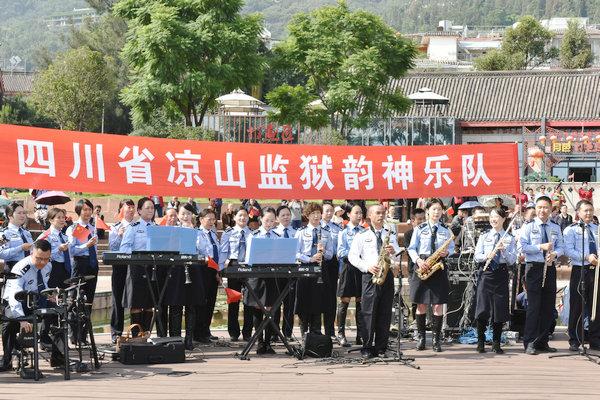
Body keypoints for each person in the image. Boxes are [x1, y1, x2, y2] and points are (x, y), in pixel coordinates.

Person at [1, 240, 66, 371]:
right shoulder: (20, 268)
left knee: (60, 314)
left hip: (35, 299)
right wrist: (22, 319)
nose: (42, 262)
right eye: (39, 258)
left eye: (46, 259)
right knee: (9, 323)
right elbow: (14, 296)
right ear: (32, 253)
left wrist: (49, 296)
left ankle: (58, 358)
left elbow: (42, 285)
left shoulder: (48, 266)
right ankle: (7, 360)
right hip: (16, 302)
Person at [348, 204, 403, 358]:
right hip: (370, 276)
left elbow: (397, 256)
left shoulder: (390, 233)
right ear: (370, 216)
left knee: (385, 312)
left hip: (387, 275)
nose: (381, 215)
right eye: (377, 213)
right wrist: (367, 267)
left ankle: (381, 347)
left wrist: (394, 252)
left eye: (383, 213)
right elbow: (353, 256)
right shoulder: (362, 234)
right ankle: (366, 346)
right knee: (368, 312)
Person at [408, 198, 455, 352]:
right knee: (420, 304)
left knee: (438, 304)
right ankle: (421, 337)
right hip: (423, 265)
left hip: (438, 268)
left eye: (439, 209)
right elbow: (411, 248)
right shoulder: (419, 228)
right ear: (427, 211)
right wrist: (418, 261)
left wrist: (447, 252)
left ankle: (436, 339)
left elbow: (453, 248)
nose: (436, 212)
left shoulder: (445, 229)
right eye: (434, 209)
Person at [519, 195, 564, 355]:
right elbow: (523, 246)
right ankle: (530, 342)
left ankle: (542, 341)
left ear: (551, 209)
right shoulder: (529, 226)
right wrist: (540, 247)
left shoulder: (555, 227)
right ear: (535, 209)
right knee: (534, 307)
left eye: (545, 207)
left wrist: (555, 254)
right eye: (539, 207)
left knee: (547, 306)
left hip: (550, 267)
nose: (542, 210)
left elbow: (561, 247)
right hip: (534, 268)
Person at [473, 208, 517, 354]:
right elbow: (477, 256)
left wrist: (504, 250)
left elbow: (512, 260)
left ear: (503, 219)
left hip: (501, 274)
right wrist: (488, 255)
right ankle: (480, 341)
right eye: (491, 216)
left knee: (499, 309)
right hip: (486, 273)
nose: (493, 219)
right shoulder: (484, 236)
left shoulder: (509, 237)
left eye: (496, 216)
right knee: (483, 308)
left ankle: (496, 342)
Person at [163, 203, 206, 349]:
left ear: (193, 215)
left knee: (191, 305)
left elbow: (203, 249)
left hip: (193, 268)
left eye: (188, 213)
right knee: (175, 305)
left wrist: (192, 232)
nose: (185, 216)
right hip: (176, 269)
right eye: (182, 214)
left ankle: (189, 339)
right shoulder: (173, 230)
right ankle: (175, 339)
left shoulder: (198, 231)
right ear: (178, 215)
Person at [563, 200, 600, 351]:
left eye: (591, 210)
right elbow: (568, 250)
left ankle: (595, 339)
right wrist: (586, 257)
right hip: (580, 270)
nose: (589, 213)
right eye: (585, 210)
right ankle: (575, 339)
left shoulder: (597, 228)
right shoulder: (571, 230)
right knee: (577, 305)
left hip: (596, 270)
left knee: (595, 307)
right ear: (578, 212)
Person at [245, 207, 281, 354]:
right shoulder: (253, 235)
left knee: (270, 310)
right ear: (261, 219)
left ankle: (268, 342)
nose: (269, 223)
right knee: (257, 309)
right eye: (267, 220)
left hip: (272, 277)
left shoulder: (277, 236)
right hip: (257, 276)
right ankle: (259, 342)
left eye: (272, 220)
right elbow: (248, 258)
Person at [295, 202, 333, 336]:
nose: (316, 216)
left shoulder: (326, 232)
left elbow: (331, 253)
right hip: (305, 269)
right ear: (307, 215)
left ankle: (316, 332)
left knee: (318, 301)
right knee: (304, 300)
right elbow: (295, 253)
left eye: (318, 213)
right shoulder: (301, 232)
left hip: (321, 269)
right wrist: (309, 258)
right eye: (313, 214)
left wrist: (323, 253)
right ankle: (304, 331)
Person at [119, 197, 156, 337]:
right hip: (136, 268)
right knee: (136, 302)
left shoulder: (157, 229)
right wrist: (137, 255)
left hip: (152, 269)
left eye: (152, 207)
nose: (150, 210)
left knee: (149, 302)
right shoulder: (133, 228)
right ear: (139, 211)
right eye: (147, 208)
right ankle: (135, 335)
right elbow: (124, 247)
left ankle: (146, 334)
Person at [66, 198, 99, 344]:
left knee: (88, 301)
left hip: (92, 264)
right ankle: (74, 336)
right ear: (79, 211)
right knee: (75, 300)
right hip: (80, 265)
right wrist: (86, 245)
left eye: (89, 209)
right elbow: (72, 250)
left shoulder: (92, 228)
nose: (88, 212)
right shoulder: (75, 228)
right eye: (85, 210)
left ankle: (84, 335)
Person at [218, 207, 253, 342]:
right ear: (234, 218)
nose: (242, 218)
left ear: (248, 218)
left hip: (248, 267)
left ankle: (247, 332)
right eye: (239, 216)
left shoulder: (252, 234)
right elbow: (223, 252)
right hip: (234, 266)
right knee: (233, 300)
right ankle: (233, 332)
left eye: (245, 216)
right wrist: (220, 270)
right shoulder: (228, 233)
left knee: (249, 301)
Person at [336, 204, 366, 347]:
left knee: (361, 300)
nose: (359, 215)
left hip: (361, 268)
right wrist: (354, 254)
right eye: (356, 213)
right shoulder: (343, 232)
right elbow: (340, 252)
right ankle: (340, 333)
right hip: (348, 267)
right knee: (345, 300)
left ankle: (360, 334)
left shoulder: (364, 231)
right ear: (349, 214)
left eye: (360, 213)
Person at [108, 198, 136, 343]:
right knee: (117, 299)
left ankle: (137, 332)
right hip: (120, 266)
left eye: (132, 207)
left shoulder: (138, 227)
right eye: (127, 207)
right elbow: (112, 247)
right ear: (121, 210)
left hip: (135, 266)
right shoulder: (115, 227)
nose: (131, 210)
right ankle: (116, 333)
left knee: (135, 299)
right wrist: (119, 235)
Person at [272, 205, 298, 339]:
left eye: (288, 214)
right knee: (276, 303)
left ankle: (287, 333)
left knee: (290, 304)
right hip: (277, 272)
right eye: (283, 215)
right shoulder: (273, 233)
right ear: (277, 218)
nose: (286, 217)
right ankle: (274, 334)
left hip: (292, 272)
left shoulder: (297, 232)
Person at [196, 209, 221, 343]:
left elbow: (217, 252)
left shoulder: (213, 233)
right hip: (202, 270)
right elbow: (196, 252)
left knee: (211, 301)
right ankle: (198, 332)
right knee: (202, 301)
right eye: (209, 219)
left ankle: (206, 330)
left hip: (213, 270)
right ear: (201, 219)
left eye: (213, 219)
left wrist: (217, 271)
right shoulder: (197, 233)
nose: (211, 222)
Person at [321, 202, 342, 340]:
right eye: (326, 211)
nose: (329, 213)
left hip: (332, 263)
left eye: (331, 211)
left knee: (331, 298)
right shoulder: (318, 227)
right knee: (317, 296)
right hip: (319, 262)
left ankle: (330, 330)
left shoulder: (337, 228)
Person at [404, 208, 426, 320]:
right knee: (415, 296)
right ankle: (415, 322)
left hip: (428, 268)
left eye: (423, 218)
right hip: (414, 269)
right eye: (419, 219)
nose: (422, 221)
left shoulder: (428, 231)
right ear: (413, 220)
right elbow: (409, 250)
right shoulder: (408, 234)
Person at [0, 202, 34, 273]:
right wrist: (20, 248)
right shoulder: (4, 233)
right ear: (10, 216)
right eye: (19, 213)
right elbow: (1, 254)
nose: (23, 216)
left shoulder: (26, 232)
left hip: (30, 267)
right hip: (13, 268)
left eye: (24, 213)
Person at [46, 208, 72, 289]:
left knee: (64, 296)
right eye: (59, 217)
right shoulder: (46, 236)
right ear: (51, 220)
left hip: (66, 268)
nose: (62, 220)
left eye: (63, 217)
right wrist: (59, 249)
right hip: (52, 268)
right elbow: (42, 255)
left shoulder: (64, 236)